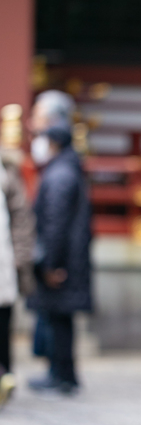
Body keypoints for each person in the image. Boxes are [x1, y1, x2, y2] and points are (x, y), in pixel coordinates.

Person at [27, 91, 92, 394]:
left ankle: (61, 375)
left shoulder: (59, 174)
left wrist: (51, 264)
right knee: (59, 319)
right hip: (71, 259)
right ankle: (61, 373)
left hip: (62, 261)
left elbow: (55, 224)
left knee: (58, 320)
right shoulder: (66, 168)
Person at [0, 135, 36, 406]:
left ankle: (6, 376)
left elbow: (21, 218)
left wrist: (20, 257)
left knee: (3, 324)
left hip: (4, 262)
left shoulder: (7, 173)